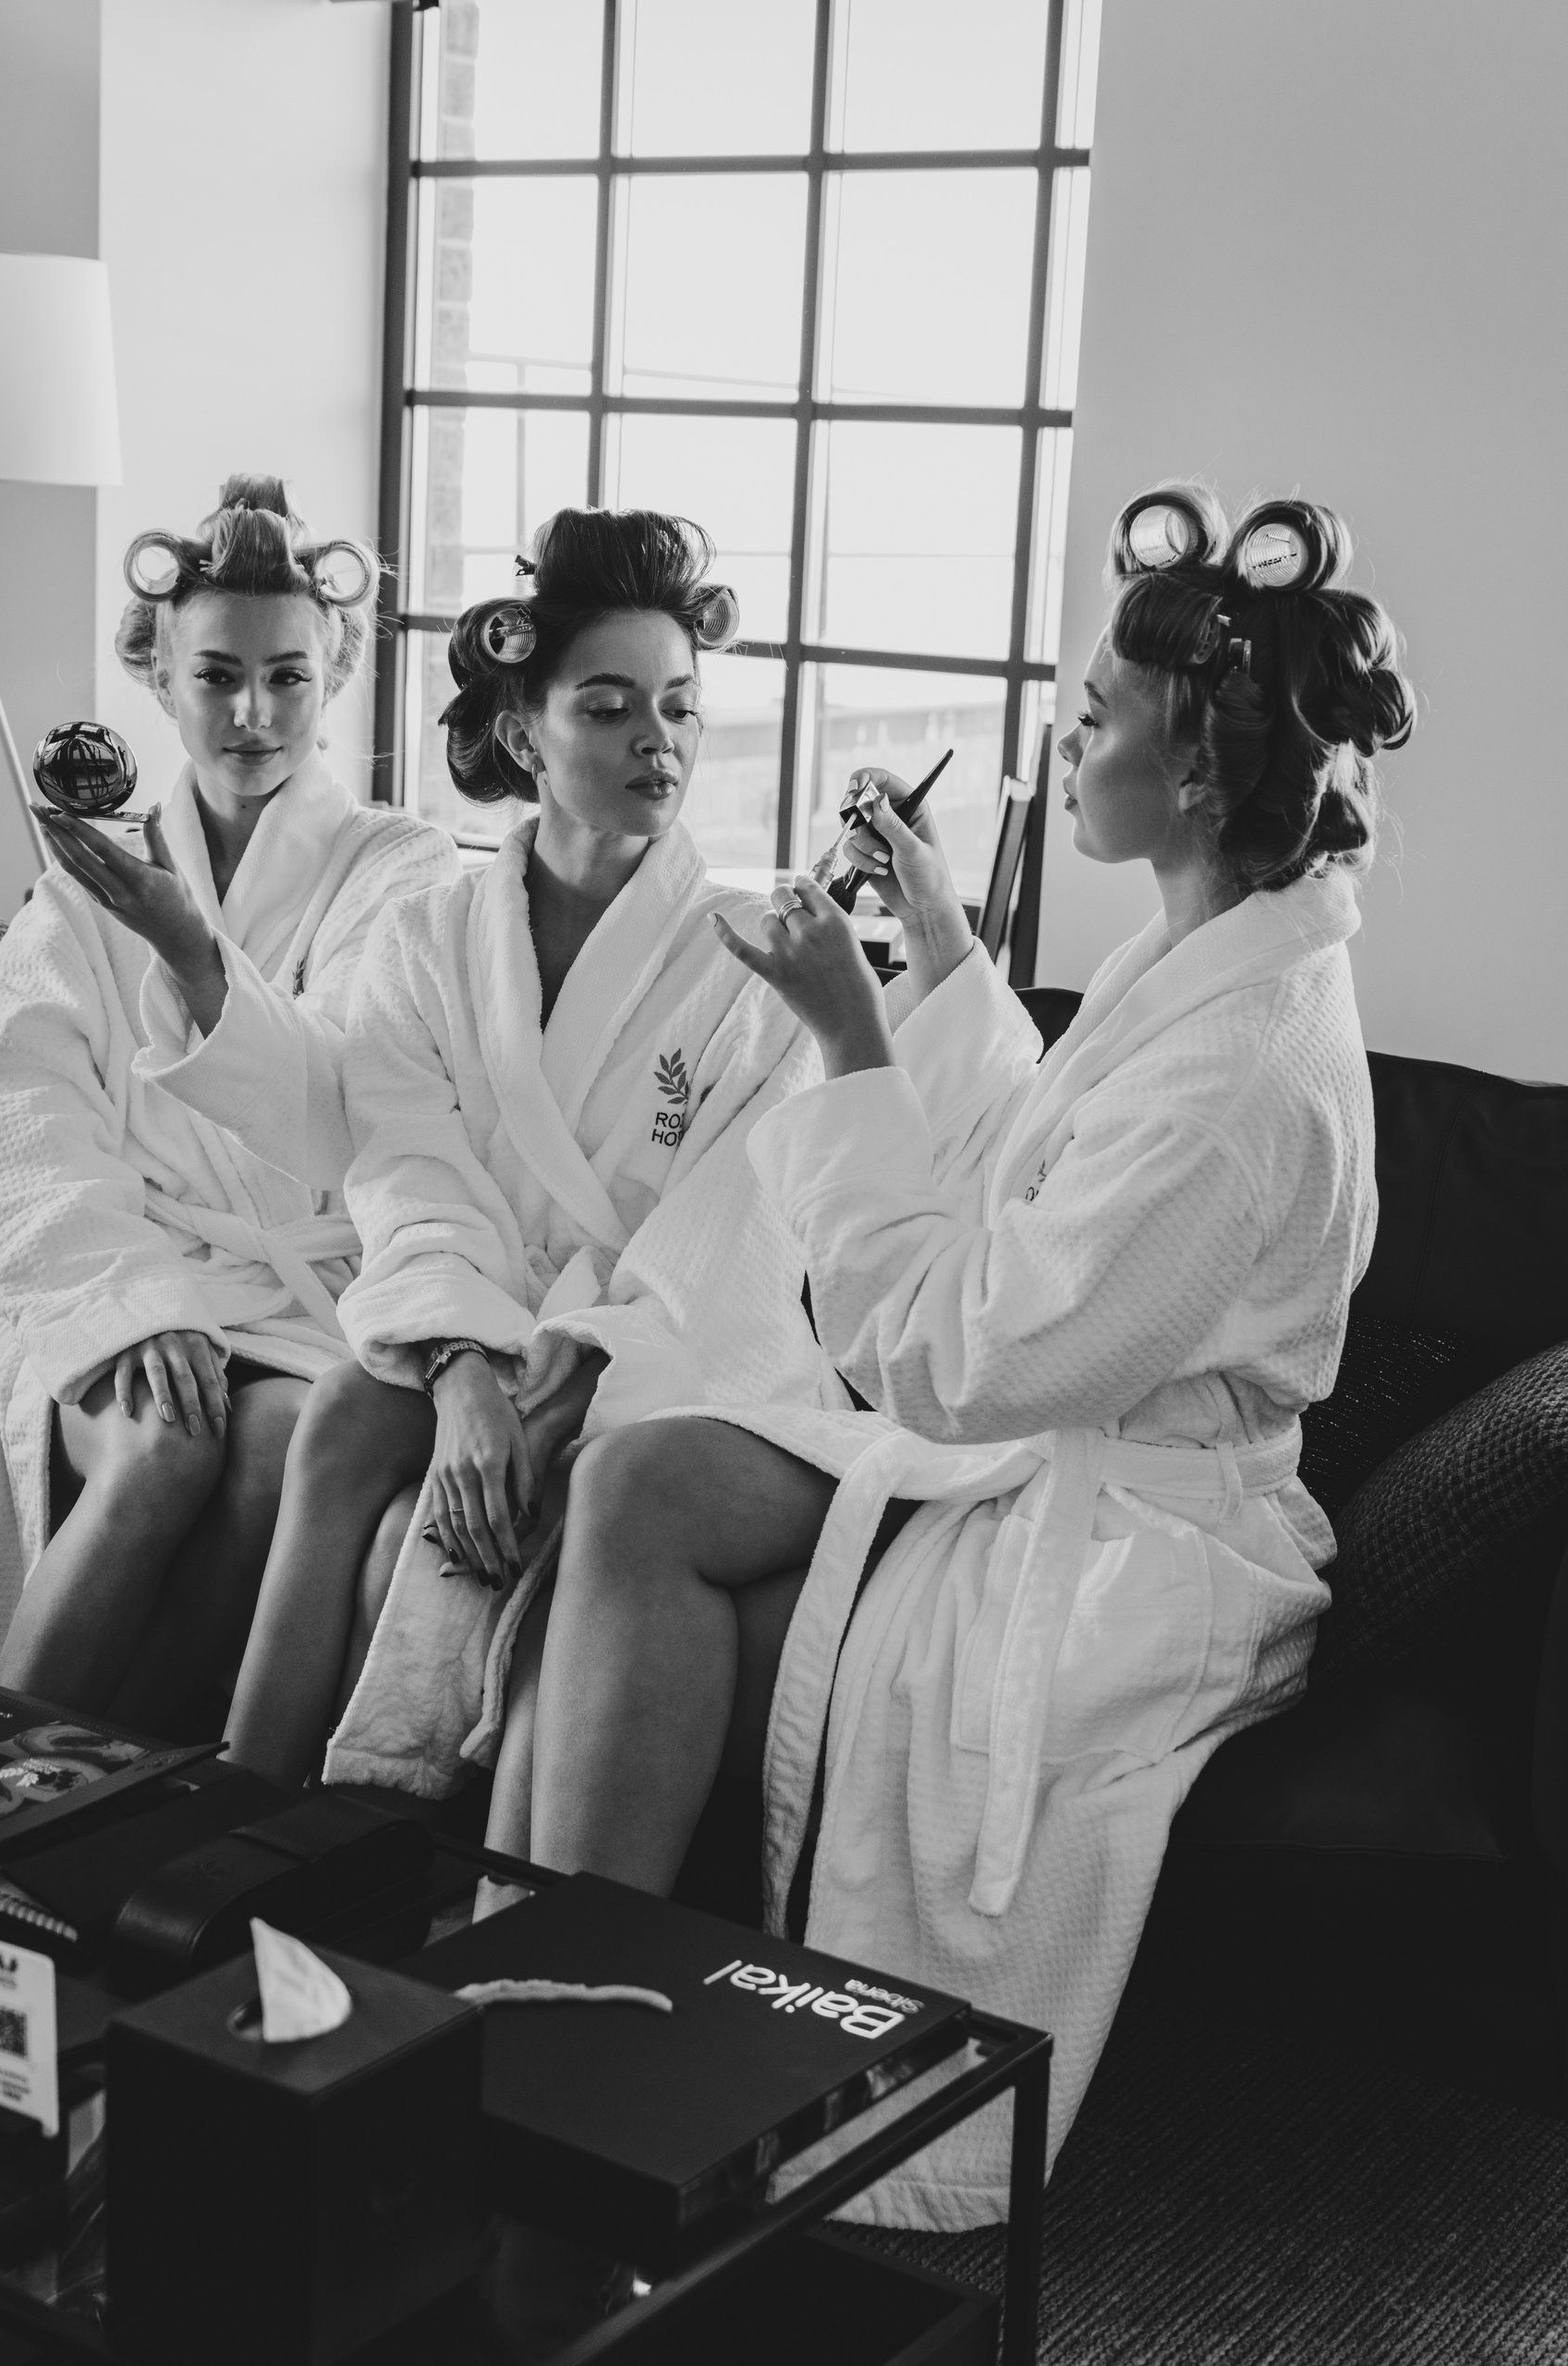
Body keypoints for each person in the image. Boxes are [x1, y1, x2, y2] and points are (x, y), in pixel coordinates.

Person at [519, 487, 1416, 2226]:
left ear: (1198, 774)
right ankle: (557, 1990)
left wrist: (849, 1041)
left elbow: (962, 1357)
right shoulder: (1208, 955)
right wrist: (936, 937)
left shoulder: (1242, 1066)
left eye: (1095, 716)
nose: (1065, 741)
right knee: (635, 1477)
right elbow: (1039, 1165)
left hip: (1125, 1536)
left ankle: (579, 2048)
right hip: (1048, 1444)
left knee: (658, 1537)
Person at [208, 508, 846, 1799]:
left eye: (679, 707)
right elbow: (408, 1172)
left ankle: (380, 1817)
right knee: (344, 1413)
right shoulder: (428, 937)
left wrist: (556, 1390)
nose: (658, 741)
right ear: (522, 736)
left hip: (670, 1356)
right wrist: (464, 1377)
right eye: (609, 708)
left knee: (496, 1479)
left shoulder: (757, 963)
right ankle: (240, 1800)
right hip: (482, 1321)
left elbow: (731, 1240)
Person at [0, 476, 456, 1724]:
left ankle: (117, 1797)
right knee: (162, 1442)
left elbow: (352, 1110)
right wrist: (129, 1302)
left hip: (292, 1292)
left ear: (332, 674)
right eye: (217, 675)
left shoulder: (399, 867)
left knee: (274, 1450)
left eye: (286, 676)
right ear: (162, 679)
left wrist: (193, 953)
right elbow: (11, 1111)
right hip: (100, 1271)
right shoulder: (89, 878)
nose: (253, 713)